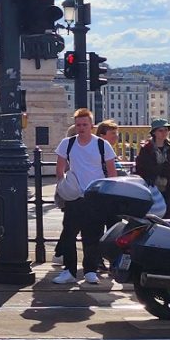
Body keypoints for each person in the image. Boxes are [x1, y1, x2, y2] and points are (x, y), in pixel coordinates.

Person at [52, 108, 117, 286]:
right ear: (75, 125)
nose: (81, 128)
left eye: (85, 125)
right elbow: (59, 168)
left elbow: (112, 172)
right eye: (79, 125)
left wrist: (108, 194)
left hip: (95, 196)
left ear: (92, 126)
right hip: (74, 196)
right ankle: (69, 271)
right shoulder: (68, 143)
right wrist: (64, 185)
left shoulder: (102, 145)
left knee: (93, 236)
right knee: (69, 234)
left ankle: (90, 270)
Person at [135, 118, 170, 219]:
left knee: (167, 220)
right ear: (154, 132)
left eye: (166, 130)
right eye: (161, 130)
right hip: (151, 189)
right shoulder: (146, 149)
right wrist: (164, 167)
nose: (164, 133)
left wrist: (162, 168)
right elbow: (142, 170)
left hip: (167, 189)